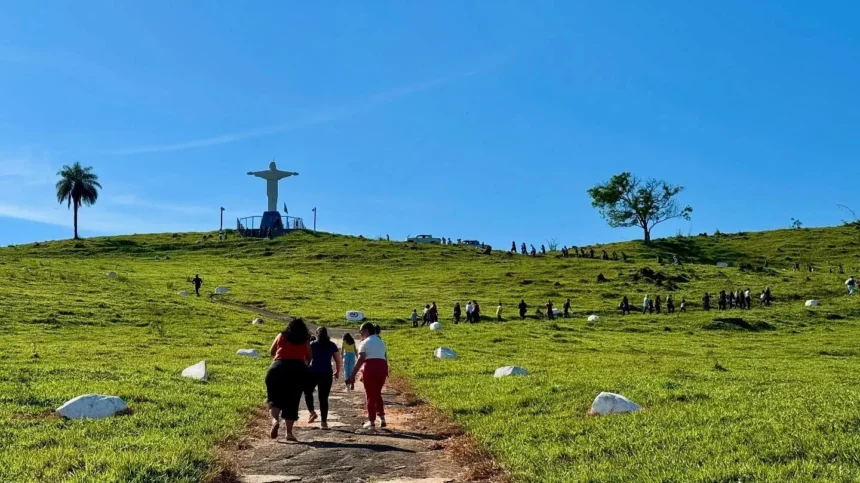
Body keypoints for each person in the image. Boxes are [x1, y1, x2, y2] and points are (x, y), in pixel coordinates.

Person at [266, 318, 311, 441]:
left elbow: (272, 351)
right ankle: (289, 433)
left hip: (276, 369)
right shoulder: (305, 339)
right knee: (292, 401)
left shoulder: (281, 335)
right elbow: (309, 356)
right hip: (297, 370)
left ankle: (275, 420)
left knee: (274, 399)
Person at [347, 322, 389, 430]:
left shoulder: (364, 342)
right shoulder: (381, 342)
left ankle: (372, 421)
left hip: (370, 368)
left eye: (361, 332)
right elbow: (384, 357)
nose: (360, 334)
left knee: (370, 395)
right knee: (377, 394)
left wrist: (353, 374)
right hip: (382, 368)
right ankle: (382, 417)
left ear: (366, 330)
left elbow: (361, 359)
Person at [305, 327, 342, 429]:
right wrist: (337, 372)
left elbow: (307, 359)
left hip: (313, 372)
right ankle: (324, 422)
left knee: (307, 391)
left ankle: (312, 412)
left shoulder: (312, 344)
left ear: (317, 334)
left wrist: (305, 369)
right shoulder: (332, 345)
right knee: (323, 398)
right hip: (326, 373)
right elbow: (338, 360)